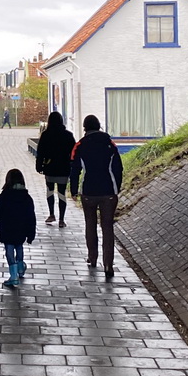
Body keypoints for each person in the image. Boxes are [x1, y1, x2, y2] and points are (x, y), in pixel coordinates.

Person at [70, 114, 123, 279]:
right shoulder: (109, 144)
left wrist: (73, 190)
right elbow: (118, 168)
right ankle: (108, 264)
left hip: (89, 192)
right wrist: (116, 188)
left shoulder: (80, 145)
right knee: (108, 227)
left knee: (90, 224)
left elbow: (75, 169)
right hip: (108, 191)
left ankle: (92, 257)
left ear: (85, 127)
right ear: (99, 126)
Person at [0, 168, 36, 287]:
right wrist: (31, 234)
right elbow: (31, 217)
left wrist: (1, 221)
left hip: (7, 228)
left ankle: (13, 275)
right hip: (21, 229)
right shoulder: (27, 198)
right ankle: (21, 267)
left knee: (9, 249)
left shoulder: (3, 197)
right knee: (19, 246)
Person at [35, 111, 76, 228]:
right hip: (64, 168)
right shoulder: (68, 135)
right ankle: (62, 219)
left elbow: (40, 152)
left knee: (50, 191)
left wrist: (39, 166)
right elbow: (73, 152)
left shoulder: (45, 135)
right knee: (62, 193)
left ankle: (51, 214)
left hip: (49, 167)